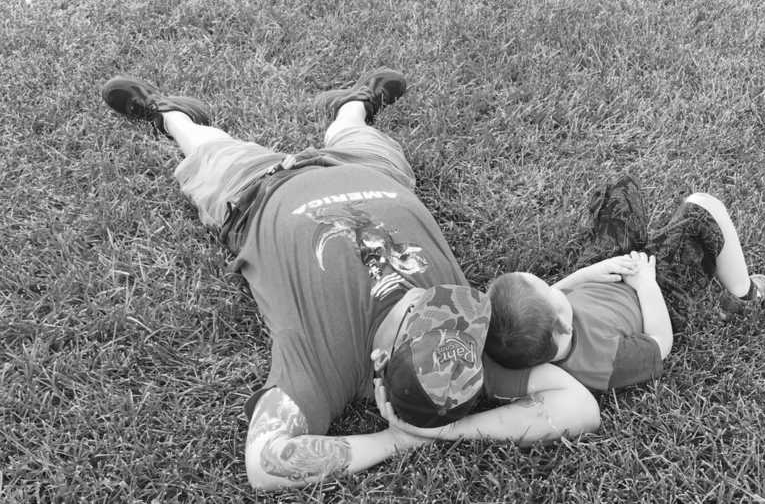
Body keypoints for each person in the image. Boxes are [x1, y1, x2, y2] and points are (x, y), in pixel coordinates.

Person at [101, 68, 601, 490]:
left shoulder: (324, 364)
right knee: (355, 126)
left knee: (205, 145)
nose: (434, 295)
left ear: (379, 366)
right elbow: (578, 407)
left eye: (415, 315)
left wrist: (399, 440)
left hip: (257, 189)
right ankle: (354, 102)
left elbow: (267, 462)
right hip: (375, 173)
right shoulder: (464, 344)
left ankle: (169, 113)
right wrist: (458, 427)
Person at [483, 175, 765, 392]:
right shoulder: (605, 363)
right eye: (548, 289)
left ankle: (648, 244)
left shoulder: (548, 325)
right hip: (656, 295)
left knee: (619, 191)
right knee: (703, 209)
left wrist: (594, 270)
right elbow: (662, 343)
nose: (554, 285)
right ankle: (744, 296)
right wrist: (646, 283)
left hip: (611, 271)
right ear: (563, 326)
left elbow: (560, 292)